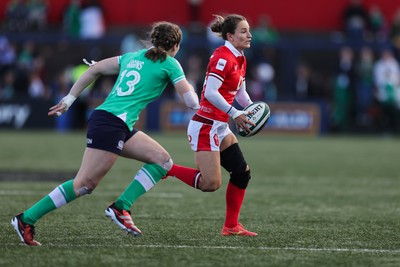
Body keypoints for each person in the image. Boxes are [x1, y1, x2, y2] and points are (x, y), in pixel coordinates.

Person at [11, 21, 202, 246]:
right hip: (111, 123)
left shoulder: (132, 57)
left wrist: (69, 98)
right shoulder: (171, 64)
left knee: (162, 161)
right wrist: (191, 82)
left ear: (153, 40)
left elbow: (95, 68)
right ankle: (26, 219)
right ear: (176, 46)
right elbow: (191, 102)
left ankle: (121, 207)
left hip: (116, 123)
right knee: (84, 184)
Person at [184, 14, 258, 236]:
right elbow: (210, 93)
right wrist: (235, 113)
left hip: (219, 125)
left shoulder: (240, 57)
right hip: (206, 124)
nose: (249, 35)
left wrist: (253, 111)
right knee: (211, 183)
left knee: (241, 173)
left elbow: (241, 94)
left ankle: (231, 226)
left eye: (248, 30)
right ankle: (165, 169)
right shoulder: (223, 57)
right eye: (243, 31)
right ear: (230, 35)